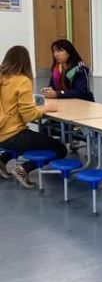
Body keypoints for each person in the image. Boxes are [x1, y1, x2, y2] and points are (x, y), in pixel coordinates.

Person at [0, 46, 67, 188]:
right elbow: (29, 115)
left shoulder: (2, 77)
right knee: (59, 149)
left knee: (33, 140)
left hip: (2, 134)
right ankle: (24, 169)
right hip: (13, 134)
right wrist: (44, 109)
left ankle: (2, 161)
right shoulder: (22, 80)